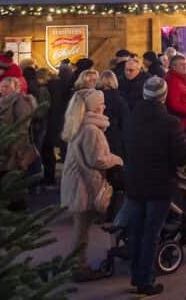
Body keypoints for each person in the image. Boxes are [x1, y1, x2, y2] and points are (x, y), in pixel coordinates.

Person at [124, 76, 186, 296]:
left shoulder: (132, 117)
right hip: (160, 184)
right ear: (163, 97)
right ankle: (145, 280)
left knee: (135, 231)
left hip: (134, 181)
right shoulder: (170, 123)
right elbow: (181, 157)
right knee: (151, 233)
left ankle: (135, 274)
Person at [60, 88, 123, 281]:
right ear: (95, 108)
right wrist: (117, 160)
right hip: (83, 186)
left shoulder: (78, 124)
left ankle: (74, 265)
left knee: (81, 229)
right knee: (82, 231)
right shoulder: (91, 130)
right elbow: (98, 160)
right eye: (102, 104)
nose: (105, 107)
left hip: (76, 182)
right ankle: (77, 268)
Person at [0, 76, 39, 183]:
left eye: (6, 87)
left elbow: (23, 123)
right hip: (3, 142)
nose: (2, 89)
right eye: (1, 87)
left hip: (15, 144)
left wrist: (14, 143)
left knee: (14, 174)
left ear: (16, 88)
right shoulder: (1, 101)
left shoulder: (20, 101)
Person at [42, 62, 74, 186]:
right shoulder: (71, 87)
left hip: (52, 120)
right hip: (66, 120)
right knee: (66, 150)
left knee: (49, 150)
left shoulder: (50, 85)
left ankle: (50, 179)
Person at [98, 70, 129, 161]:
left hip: (98, 135)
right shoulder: (120, 100)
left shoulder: (94, 98)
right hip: (115, 137)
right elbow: (125, 121)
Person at [164, 52, 186, 132]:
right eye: (182, 65)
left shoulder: (180, 78)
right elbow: (173, 104)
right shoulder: (173, 81)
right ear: (173, 66)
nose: (185, 67)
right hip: (181, 124)